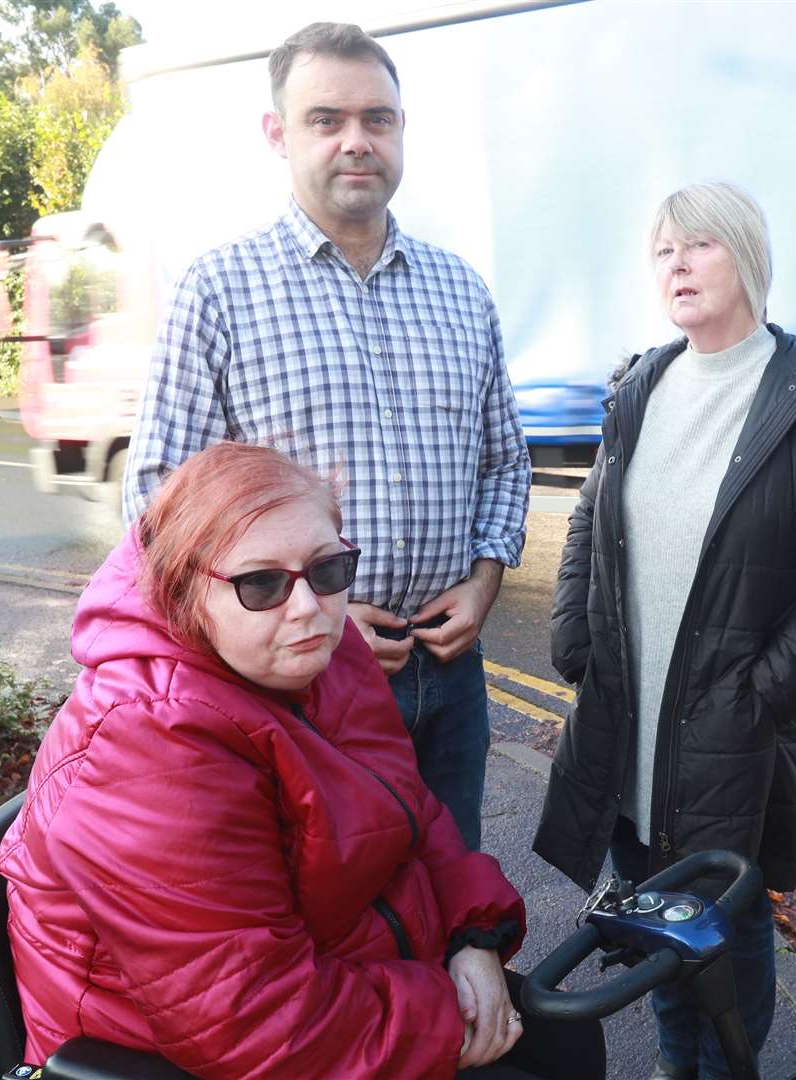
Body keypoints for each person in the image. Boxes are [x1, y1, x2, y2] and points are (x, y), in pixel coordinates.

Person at [0, 442, 602, 1080]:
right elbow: (251, 1020)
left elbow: (412, 815)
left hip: (341, 968)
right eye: (261, 583)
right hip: (176, 1051)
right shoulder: (149, 747)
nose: (308, 607)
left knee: (569, 1043)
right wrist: (450, 1016)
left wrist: (470, 936)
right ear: (181, 588)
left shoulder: (317, 653)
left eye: (327, 570)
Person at [121, 22, 531, 851]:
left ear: (401, 131)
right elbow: (161, 501)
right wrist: (315, 623)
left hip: (449, 677)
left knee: (454, 891)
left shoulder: (460, 292)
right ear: (278, 134)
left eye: (377, 119)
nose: (356, 141)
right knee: (334, 919)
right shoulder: (222, 291)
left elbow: (504, 461)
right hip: (301, 688)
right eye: (326, 119)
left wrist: (485, 580)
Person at [534, 181, 796, 1080]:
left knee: (728, 931)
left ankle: (721, 1070)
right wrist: (574, 640)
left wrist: (761, 689)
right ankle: (679, 1067)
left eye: (700, 245)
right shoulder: (640, 384)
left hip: (730, 728)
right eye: (662, 250)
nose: (677, 264)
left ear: (746, 255)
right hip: (626, 724)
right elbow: (587, 522)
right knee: (651, 923)